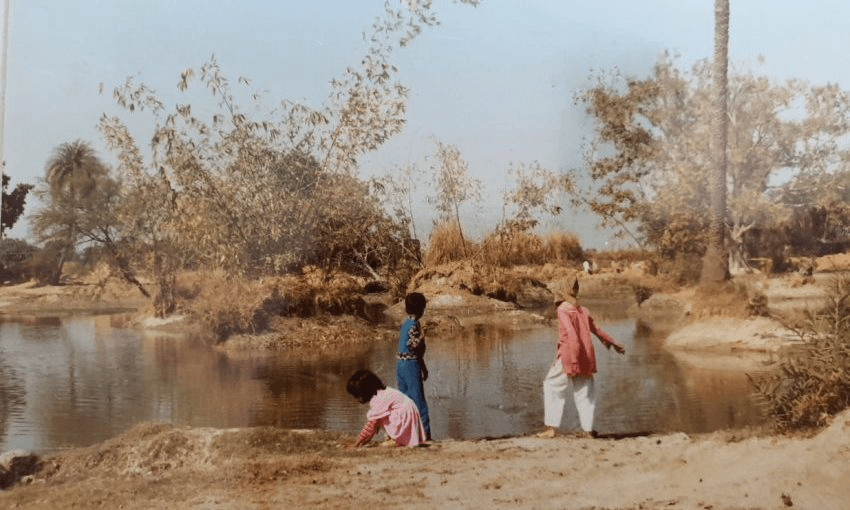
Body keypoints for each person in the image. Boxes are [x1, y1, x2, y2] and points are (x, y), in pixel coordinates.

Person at [539, 276, 625, 438]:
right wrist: (613, 343)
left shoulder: (563, 309)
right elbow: (597, 330)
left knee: (552, 386)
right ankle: (588, 430)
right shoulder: (582, 310)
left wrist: (573, 357)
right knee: (585, 392)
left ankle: (550, 429)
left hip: (570, 355)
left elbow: (571, 332)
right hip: (585, 356)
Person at [346, 369, 427, 447]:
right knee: (380, 416)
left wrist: (358, 442)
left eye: (357, 395)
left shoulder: (379, 399)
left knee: (378, 418)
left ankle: (397, 439)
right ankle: (397, 438)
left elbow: (371, 426)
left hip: (404, 419)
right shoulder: (384, 392)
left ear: (365, 391)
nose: (357, 399)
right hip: (407, 416)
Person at [396, 292, 431, 440]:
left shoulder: (405, 323)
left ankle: (405, 435)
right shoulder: (414, 324)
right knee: (419, 403)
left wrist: (423, 367)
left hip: (400, 365)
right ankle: (425, 437)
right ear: (421, 309)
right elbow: (413, 346)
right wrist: (423, 335)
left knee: (405, 402)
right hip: (410, 365)